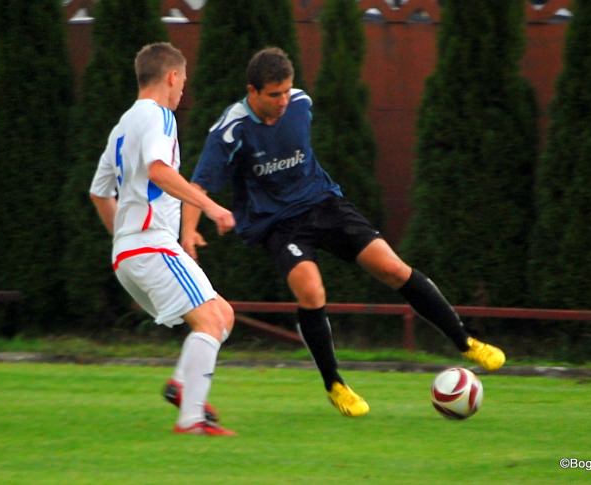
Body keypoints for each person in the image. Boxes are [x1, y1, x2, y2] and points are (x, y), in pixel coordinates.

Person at [182, 47, 505, 418]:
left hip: (324, 204)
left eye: (287, 90)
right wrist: (188, 232)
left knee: (392, 268)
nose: (284, 100)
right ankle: (335, 383)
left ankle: (465, 343)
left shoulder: (302, 104)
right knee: (310, 288)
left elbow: (297, 123)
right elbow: (198, 185)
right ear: (252, 91)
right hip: (278, 223)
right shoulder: (231, 129)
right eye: (274, 94)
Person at [89, 42, 236, 436]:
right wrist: (210, 207)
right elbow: (158, 171)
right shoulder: (160, 117)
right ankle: (190, 422)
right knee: (209, 321)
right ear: (171, 77)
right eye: (183, 82)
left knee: (222, 315)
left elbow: (99, 192)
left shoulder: (122, 125)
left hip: (135, 250)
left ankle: (181, 386)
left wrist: (123, 243)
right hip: (150, 244)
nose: (183, 90)